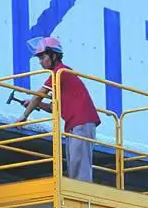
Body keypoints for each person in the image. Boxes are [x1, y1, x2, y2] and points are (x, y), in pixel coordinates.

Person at [18, 36, 100, 182]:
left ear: (53, 55)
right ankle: (77, 200)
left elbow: (39, 95)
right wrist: (34, 104)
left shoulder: (59, 72)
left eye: (43, 57)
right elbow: (53, 107)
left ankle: (83, 201)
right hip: (74, 125)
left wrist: (24, 115)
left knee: (80, 169)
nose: (40, 62)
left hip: (81, 123)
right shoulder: (60, 75)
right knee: (75, 166)